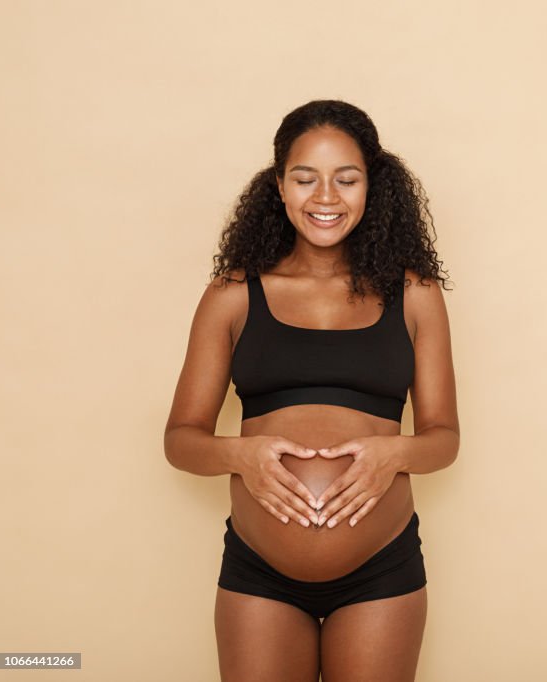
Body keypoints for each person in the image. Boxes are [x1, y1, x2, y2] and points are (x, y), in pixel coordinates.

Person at [163, 99, 459, 682]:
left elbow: (445, 439)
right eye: (305, 178)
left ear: (373, 186)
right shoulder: (232, 295)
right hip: (259, 573)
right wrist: (238, 455)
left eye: (346, 179)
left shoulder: (415, 293)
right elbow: (180, 439)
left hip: (381, 570)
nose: (326, 196)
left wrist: (393, 453)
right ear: (278, 186)